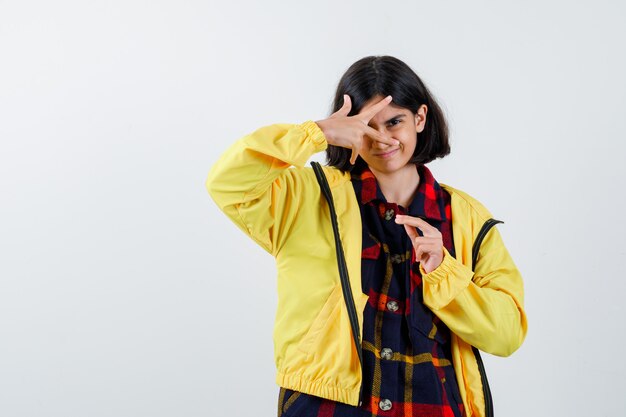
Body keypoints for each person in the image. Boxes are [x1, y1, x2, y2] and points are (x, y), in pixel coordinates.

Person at [205, 55, 527, 417]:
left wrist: (446, 274)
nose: (381, 139)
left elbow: (507, 333)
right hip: (327, 405)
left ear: (420, 118)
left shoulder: (466, 219)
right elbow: (228, 184)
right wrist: (314, 133)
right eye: (366, 126)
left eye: (394, 122)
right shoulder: (307, 198)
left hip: (434, 405)